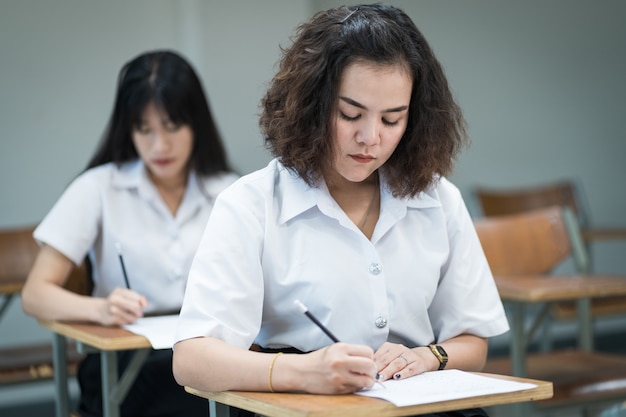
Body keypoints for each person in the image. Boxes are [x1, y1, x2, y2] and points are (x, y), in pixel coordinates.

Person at [173, 4, 509, 417]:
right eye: (350, 114)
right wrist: (301, 371)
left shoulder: (438, 199)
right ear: (311, 105)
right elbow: (191, 359)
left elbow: (473, 341)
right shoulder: (252, 203)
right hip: (302, 406)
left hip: (412, 402)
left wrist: (428, 356)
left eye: (392, 119)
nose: (369, 138)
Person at [22, 49, 238, 417]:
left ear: (196, 124)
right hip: (128, 361)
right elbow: (35, 294)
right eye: (144, 129)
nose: (159, 146)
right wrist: (101, 309)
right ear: (129, 129)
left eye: (172, 126)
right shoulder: (98, 188)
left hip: (207, 353)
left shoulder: (230, 191)